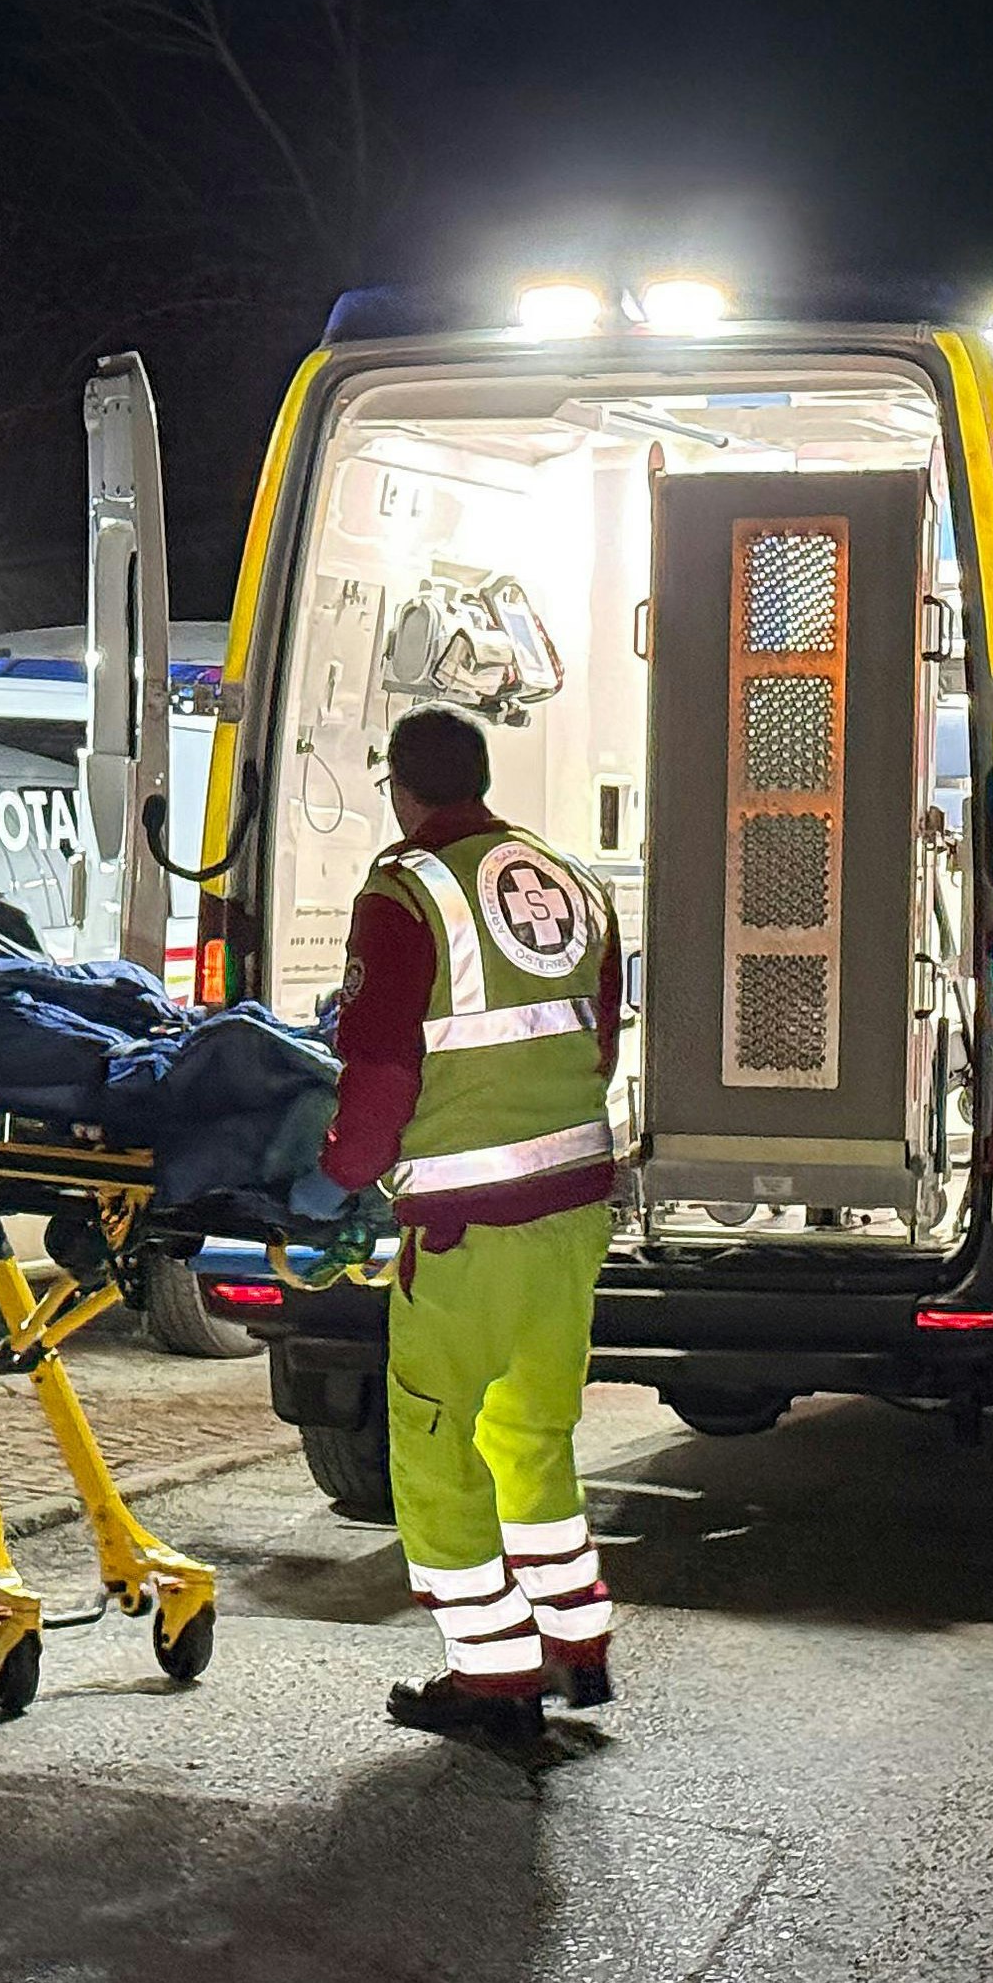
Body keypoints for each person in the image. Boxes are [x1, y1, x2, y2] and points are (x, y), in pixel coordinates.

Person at [290, 704, 624, 1746]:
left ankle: (489, 1676)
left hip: (462, 1228)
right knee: (533, 1431)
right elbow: (598, 1041)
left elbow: (383, 1068)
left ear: (400, 786)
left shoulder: (404, 891)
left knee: (434, 1445)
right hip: (572, 1207)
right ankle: (574, 1643)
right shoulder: (568, 876)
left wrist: (342, 1173)